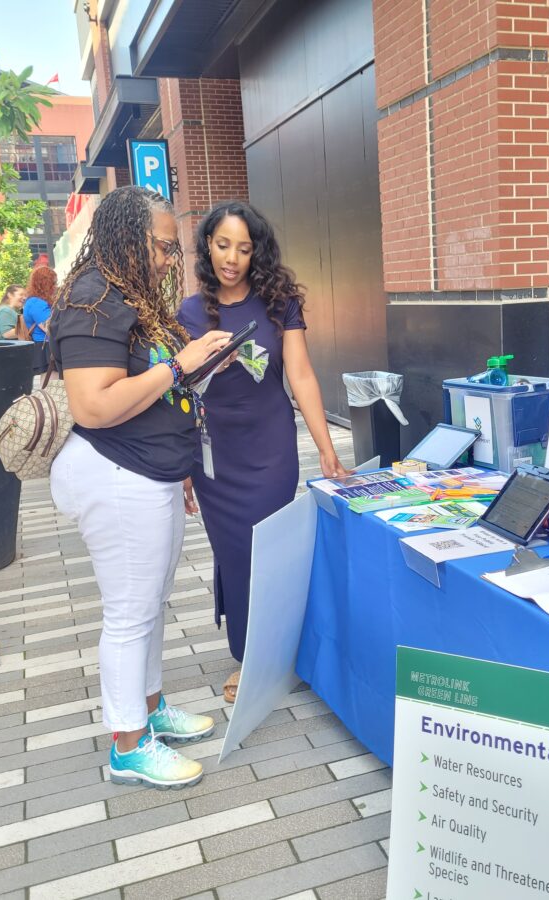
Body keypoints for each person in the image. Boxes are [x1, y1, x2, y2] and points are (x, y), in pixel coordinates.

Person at [48, 186, 236, 790]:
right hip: (116, 471)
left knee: (149, 603)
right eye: (160, 247)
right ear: (125, 238)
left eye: (170, 249)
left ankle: (150, 710)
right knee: (130, 612)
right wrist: (180, 365)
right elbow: (94, 405)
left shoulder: (126, 296)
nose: (166, 259)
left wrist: (198, 368)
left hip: (149, 471)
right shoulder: (92, 300)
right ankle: (128, 745)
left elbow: (153, 389)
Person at [178, 200, 350, 703]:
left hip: (271, 447)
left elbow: (299, 374)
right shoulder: (188, 313)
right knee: (233, 553)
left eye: (244, 248)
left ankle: (272, 655)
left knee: (267, 549)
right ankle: (250, 657)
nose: (232, 257)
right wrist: (181, 465)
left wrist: (326, 447)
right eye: (223, 244)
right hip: (214, 454)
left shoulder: (279, 303)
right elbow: (181, 391)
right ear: (208, 245)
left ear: (257, 253)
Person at [22, 266, 58, 374]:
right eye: (54, 283)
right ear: (46, 284)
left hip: (44, 345)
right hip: (46, 346)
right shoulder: (37, 303)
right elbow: (50, 328)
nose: (56, 287)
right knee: (52, 384)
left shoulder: (33, 301)